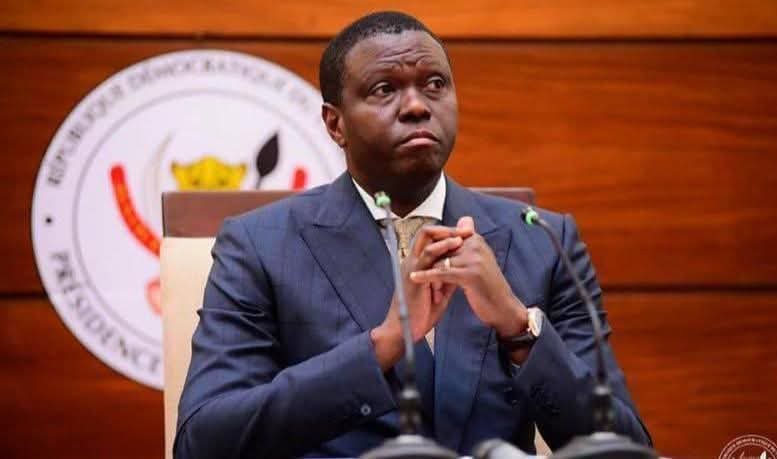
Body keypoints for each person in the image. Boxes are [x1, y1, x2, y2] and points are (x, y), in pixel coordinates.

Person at [175, 11, 651, 459]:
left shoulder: (544, 240)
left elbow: (624, 446)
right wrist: (382, 345)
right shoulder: (260, 244)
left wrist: (518, 328)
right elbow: (204, 440)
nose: (418, 106)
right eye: (384, 89)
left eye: (435, 84)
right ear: (335, 124)